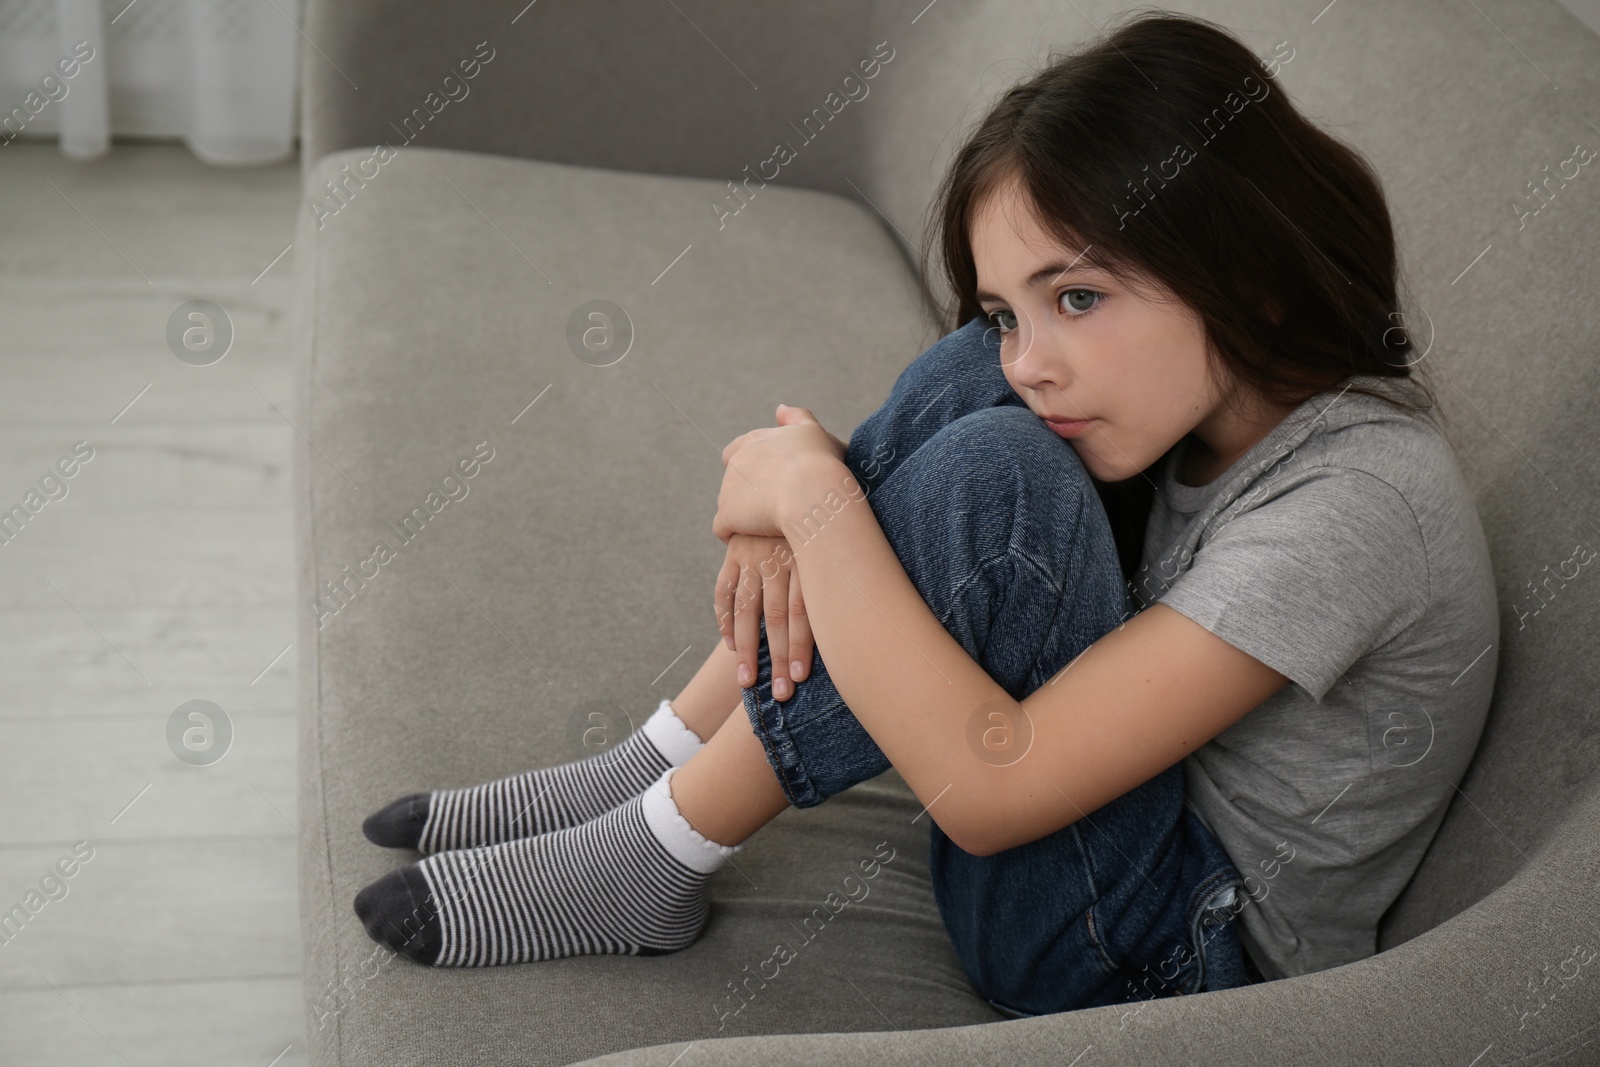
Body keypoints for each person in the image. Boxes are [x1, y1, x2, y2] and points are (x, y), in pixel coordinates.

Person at [352, 10, 1499, 1018]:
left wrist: (809, 496)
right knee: (974, 379)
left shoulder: (1358, 507)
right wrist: (815, 502)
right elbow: (995, 385)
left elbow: (996, 789)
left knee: (1002, 470)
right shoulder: (1197, 403)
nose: (1037, 354)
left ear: (1250, 273)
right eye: (1015, 305)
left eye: (1079, 296)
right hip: (1104, 835)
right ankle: (655, 760)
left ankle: (652, 851)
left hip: (1165, 954)